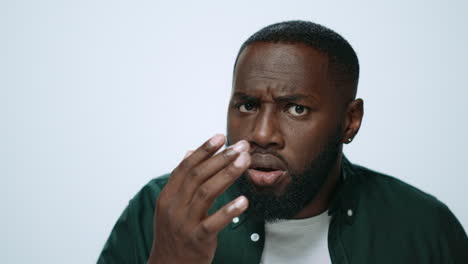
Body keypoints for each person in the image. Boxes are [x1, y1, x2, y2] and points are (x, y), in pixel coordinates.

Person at [97, 20, 468, 264]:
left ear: (349, 121)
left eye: (296, 109)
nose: (261, 134)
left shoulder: (421, 226)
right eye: (247, 104)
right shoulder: (165, 209)